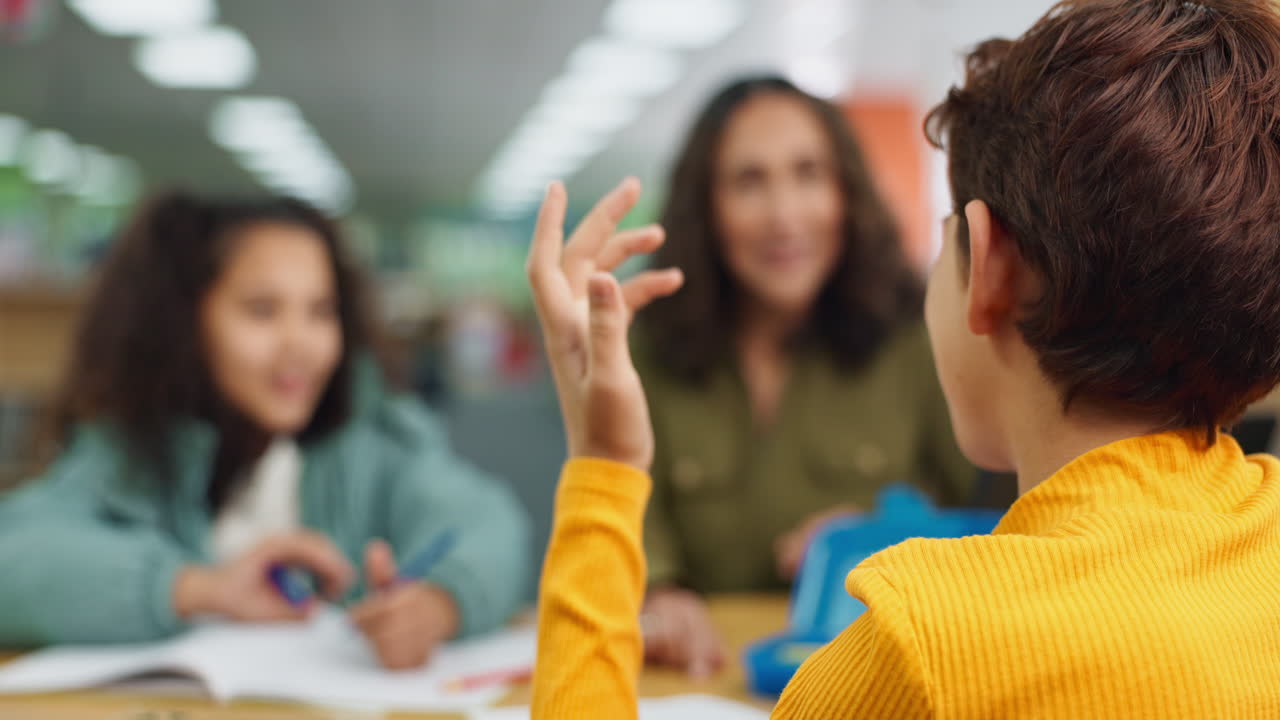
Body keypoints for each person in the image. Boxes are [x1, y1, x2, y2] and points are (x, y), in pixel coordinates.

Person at [527, 0, 1280, 716]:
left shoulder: (920, 647)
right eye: (751, 182)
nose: (784, 212)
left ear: (986, 268)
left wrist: (602, 461)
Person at [0, 191, 531, 670]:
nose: (300, 342)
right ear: (183, 324)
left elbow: (491, 525)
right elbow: (15, 559)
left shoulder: (372, 442)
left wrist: (439, 604)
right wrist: (198, 588)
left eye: (320, 312)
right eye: (262, 311)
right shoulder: (130, 452)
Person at [637, 76, 975, 675]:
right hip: (697, 677)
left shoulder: (917, 338)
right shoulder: (651, 345)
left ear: (846, 192)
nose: (784, 216)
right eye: (749, 181)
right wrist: (657, 594)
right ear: (705, 209)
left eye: (808, 173)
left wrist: (887, 539)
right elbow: (626, 513)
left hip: (876, 672)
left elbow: (1004, 522)